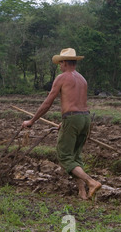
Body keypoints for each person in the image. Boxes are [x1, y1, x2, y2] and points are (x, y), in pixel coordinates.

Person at [21, 48, 102, 200]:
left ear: (64, 62)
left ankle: (91, 182)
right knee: (75, 157)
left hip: (73, 119)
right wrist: (64, 122)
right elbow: (76, 103)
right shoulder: (82, 79)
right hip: (84, 119)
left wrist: (32, 121)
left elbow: (47, 103)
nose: (59, 66)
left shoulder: (62, 77)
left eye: (60, 63)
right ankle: (82, 193)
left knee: (64, 157)